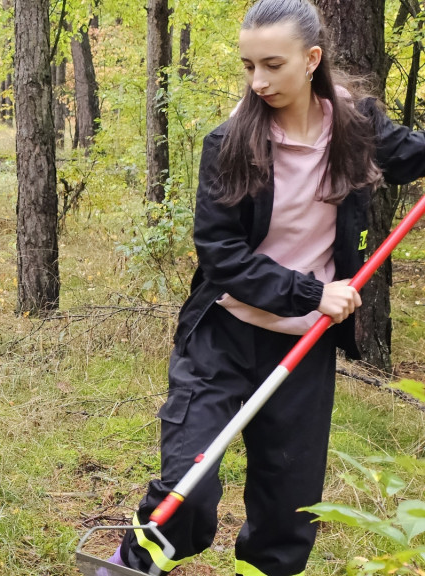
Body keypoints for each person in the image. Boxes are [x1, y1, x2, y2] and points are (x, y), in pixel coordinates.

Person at [104, 1, 425, 575]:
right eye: (249, 65)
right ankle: (123, 566)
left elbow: (408, 157)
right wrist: (311, 292)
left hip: (304, 350)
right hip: (222, 339)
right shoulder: (230, 142)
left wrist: (313, 307)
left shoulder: (356, 125)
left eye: (273, 65)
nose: (259, 81)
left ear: (311, 60)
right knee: (188, 489)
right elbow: (221, 256)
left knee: (286, 516)